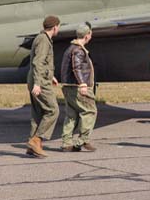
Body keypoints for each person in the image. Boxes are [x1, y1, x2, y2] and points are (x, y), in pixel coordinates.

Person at [26, 15, 60, 157]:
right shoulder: (44, 40)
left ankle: (32, 146)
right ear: (55, 27)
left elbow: (42, 62)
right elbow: (37, 62)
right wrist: (38, 84)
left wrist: (50, 75)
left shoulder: (42, 38)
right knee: (53, 110)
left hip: (38, 79)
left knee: (38, 114)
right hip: (39, 82)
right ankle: (36, 139)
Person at [60, 22, 97, 151]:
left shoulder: (70, 48)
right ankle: (83, 140)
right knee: (90, 111)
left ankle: (66, 143)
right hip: (77, 87)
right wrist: (82, 84)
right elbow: (77, 68)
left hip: (68, 86)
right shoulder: (78, 50)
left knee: (71, 115)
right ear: (87, 36)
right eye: (90, 34)